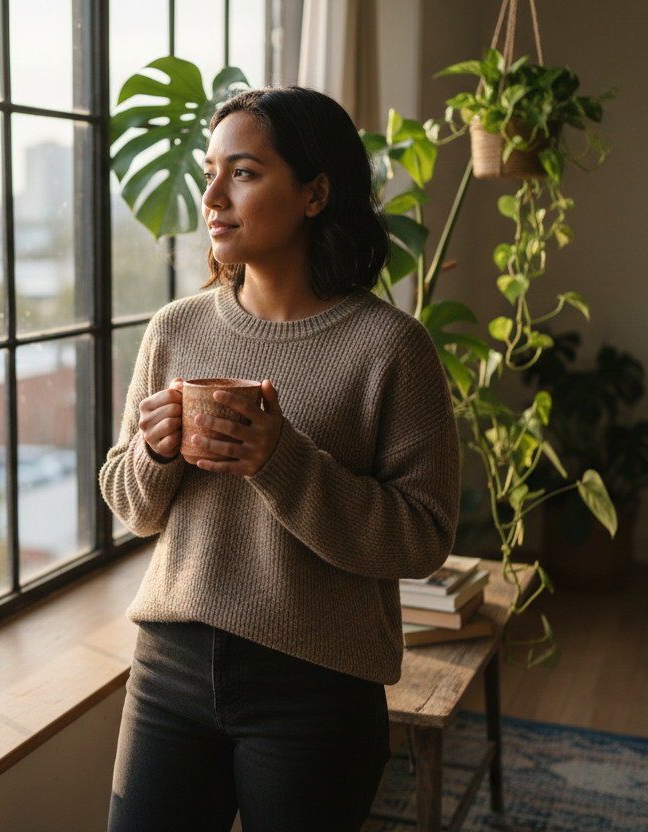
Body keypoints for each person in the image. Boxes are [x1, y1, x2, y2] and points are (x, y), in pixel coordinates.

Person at [99, 86, 460, 832]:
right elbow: (129, 505)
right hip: (169, 670)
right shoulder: (174, 328)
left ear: (315, 193)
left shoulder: (392, 348)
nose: (211, 195)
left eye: (244, 172)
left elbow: (424, 536)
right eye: (210, 171)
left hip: (316, 684)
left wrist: (283, 460)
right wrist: (155, 451)